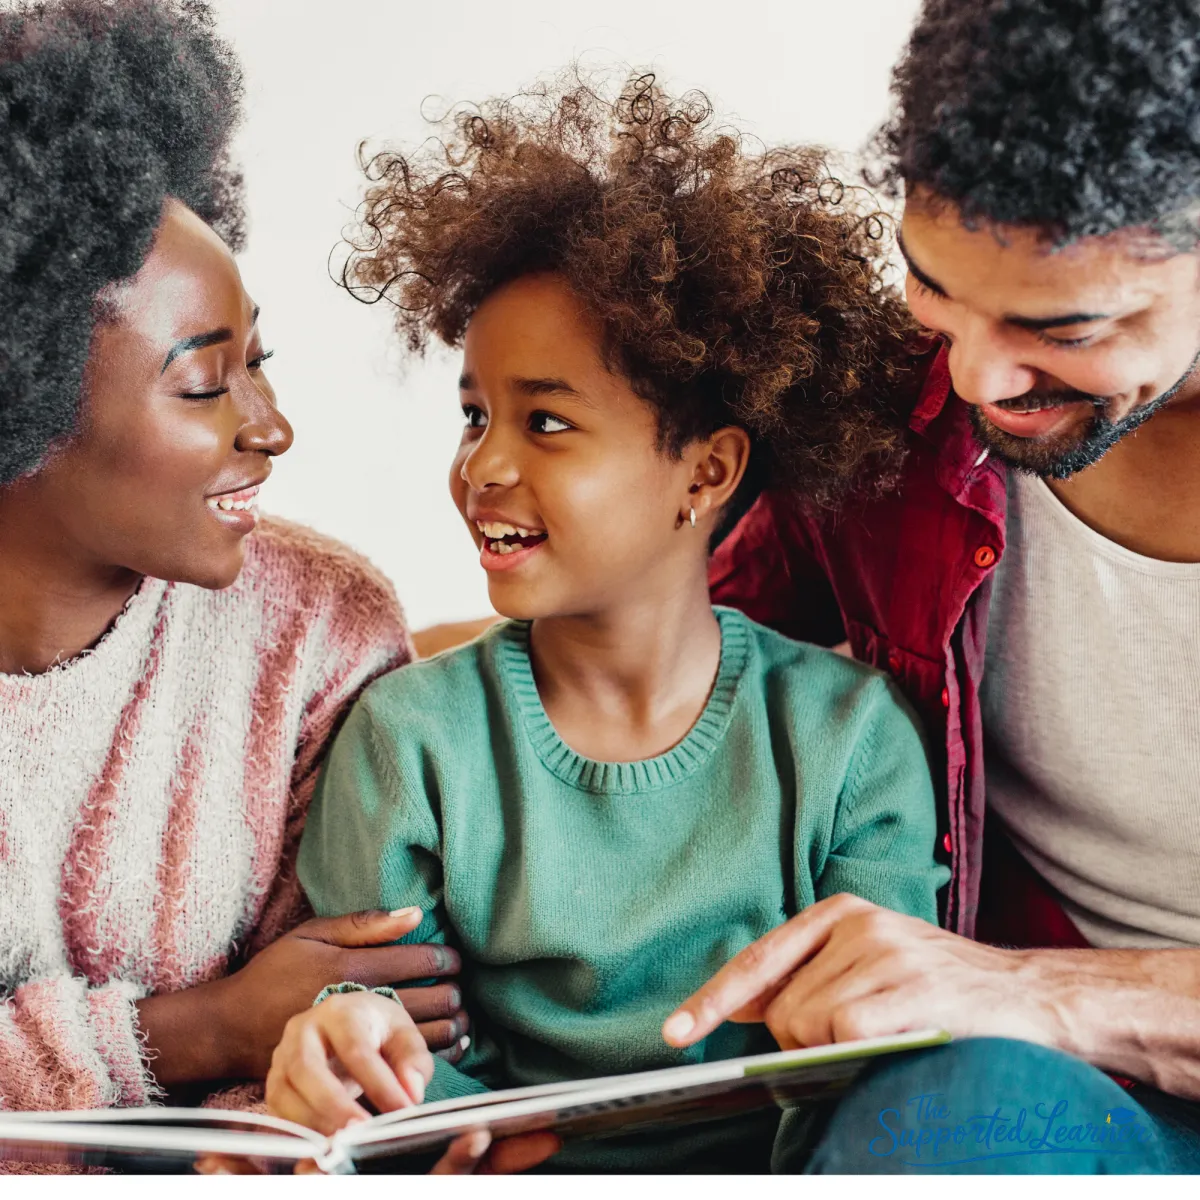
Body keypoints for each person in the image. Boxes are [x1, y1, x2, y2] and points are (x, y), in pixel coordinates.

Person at [265, 74, 950, 1173]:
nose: (483, 465)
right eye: (476, 415)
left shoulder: (852, 743)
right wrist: (362, 1060)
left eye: (546, 421)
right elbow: (386, 1044)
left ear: (708, 470)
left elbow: (883, 1054)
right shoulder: (409, 743)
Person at [650, 0, 1200, 1174]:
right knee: (958, 1113)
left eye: (1065, 325)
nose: (973, 372)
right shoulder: (899, 419)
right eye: (934, 284)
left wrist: (1041, 993)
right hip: (1052, 1104)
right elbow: (672, 658)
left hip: (1063, 1018)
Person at [0, 0, 474, 1152]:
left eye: (259, 363)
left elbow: (338, 1043)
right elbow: (252, 1028)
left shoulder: (317, 629)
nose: (274, 429)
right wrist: (194, 1028)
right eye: (207, 384)